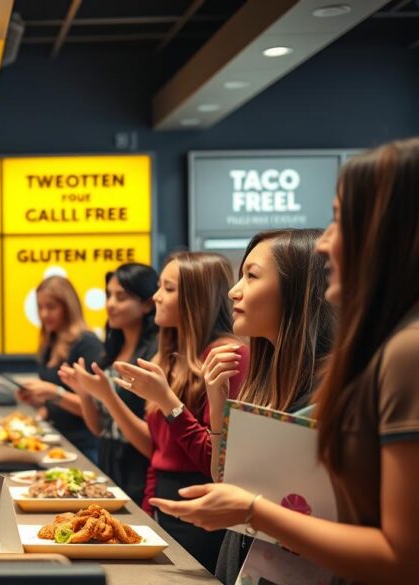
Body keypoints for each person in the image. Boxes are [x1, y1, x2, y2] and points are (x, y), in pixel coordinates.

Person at [151, 138, 419, 584]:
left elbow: (400, 555)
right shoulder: (373, 355)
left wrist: (253, 510)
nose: (325, 243)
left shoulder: (402, 353)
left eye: (340, 220)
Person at [62, 252, 248, 570]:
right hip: (163, 506)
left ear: (196, 298)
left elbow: (215, 462)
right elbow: (158, 451)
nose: (157, 296)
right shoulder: (171, 358)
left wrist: (168, 402)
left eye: (168, 288)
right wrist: (149, 510)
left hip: (199, 512)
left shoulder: (227, 356)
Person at [206, 229, 335, 583]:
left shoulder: (329, 391)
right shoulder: (264, 380)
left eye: (251, 276)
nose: (235, 290)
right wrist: (219, 409)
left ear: (298, 290)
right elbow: (225, 482)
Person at [59, 263, 158, 502]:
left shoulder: (155, 355)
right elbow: (100, 428)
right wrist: (84, 393)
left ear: (147, 304)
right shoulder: (112, 351)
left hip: (137, 470)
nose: (111, 304)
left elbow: (151, 443)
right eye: (108, 295)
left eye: (121, 297)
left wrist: (106, 395)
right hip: (108, 461)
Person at [15, 276, 105, 464]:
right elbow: (56, 405)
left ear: (68, 308)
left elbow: (97, 410)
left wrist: (54, 393)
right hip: (59, 443)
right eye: (40, 307)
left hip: (84, 448)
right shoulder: (51, 342)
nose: (44, 314)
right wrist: (38, 401)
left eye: (51, 307)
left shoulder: (87, 345)